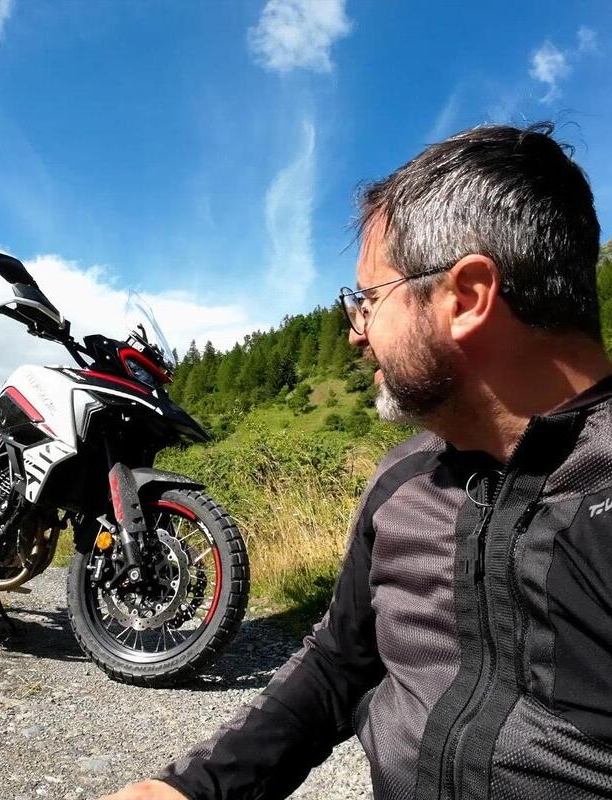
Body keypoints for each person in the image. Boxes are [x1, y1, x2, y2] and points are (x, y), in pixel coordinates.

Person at [102, 122, 612, 800]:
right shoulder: (406, 479)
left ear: (465, 297)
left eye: (369, 300)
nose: (355, 332)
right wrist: (190, 789)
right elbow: (338, 665)